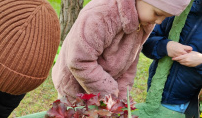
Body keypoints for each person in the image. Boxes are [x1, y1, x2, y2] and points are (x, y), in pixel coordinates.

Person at [52, 0, 191, 102]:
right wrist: (109, 91)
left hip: (106, 91)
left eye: (165, 17)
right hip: (75, 88)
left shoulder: (144, 22)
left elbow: (130, 59)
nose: (159, 22)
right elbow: (79, 61)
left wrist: (123, 94)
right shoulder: (101, 15)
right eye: (157, 14)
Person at [143, 0, 202, 114]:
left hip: (187, 101)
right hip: (156, 92)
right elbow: (147, 41)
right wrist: (166, 46)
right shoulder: (176, 7)